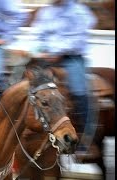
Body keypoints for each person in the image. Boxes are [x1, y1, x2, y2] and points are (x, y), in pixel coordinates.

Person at [29, 0, 97, 153]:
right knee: (25, 84)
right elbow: (38, 36)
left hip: (71, 58)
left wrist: (57, 52)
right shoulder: (45, 12)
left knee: (79, 91)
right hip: (46, 58)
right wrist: (39, 50)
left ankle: (87, 139)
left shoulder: (78, 10)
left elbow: (79, 38)